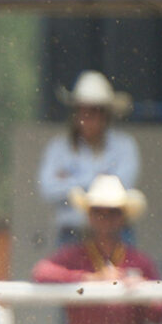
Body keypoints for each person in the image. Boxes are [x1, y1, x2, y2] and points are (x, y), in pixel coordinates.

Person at [32, 175, 162, 324]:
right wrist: (91, 278)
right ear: (89, 215)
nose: (105, 218)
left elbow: (160, 314)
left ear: (123, 217)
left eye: (113, 212)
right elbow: (41, 272)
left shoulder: (140, 261)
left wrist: (142, 290)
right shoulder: (74, 255)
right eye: (98, 211)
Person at [39, 70, 140, 244]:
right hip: (71, 234)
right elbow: (47, 188)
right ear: (75, 114)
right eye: (82, 111)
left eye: (94, 111)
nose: (87, 118)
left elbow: (122, 189)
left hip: (115, 235)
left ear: (105, 115)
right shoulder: (58, 147)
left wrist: (71, 183)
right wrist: (98, 180)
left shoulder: (125, 146)